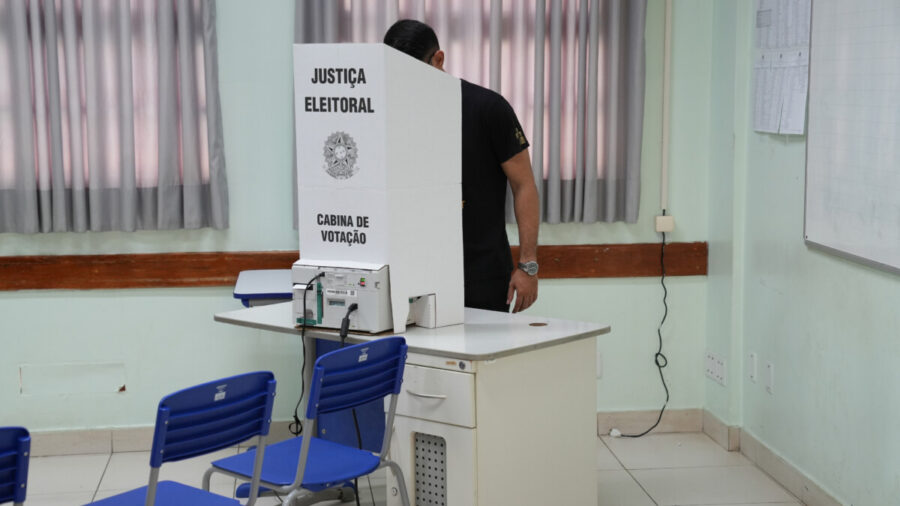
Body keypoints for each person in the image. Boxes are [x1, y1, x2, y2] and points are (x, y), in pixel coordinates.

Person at [384, 19, 540, 314]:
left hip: (482, 273)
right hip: (415, 271)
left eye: (413, 72)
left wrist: (528, 266)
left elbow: (524, 185)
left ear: (438, 59)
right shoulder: (393, 113)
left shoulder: (488, 108)